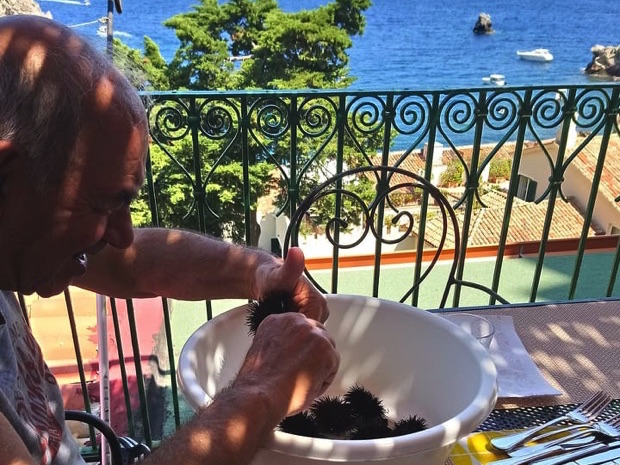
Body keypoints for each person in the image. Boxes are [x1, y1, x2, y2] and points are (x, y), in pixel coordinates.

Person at [0, 14, 340, 465]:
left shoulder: (24, 233)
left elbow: (131, 262)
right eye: (102, 205)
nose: (121, 235)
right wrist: (263, 388)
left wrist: (259, 271)